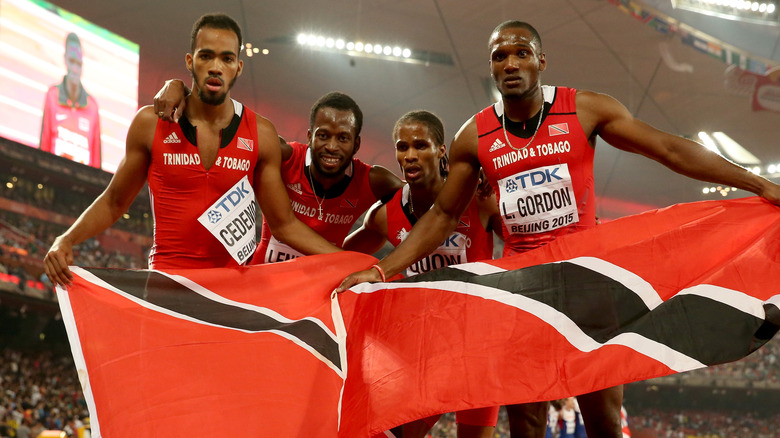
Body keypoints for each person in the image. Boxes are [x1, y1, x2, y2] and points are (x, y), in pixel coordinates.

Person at [337, 20, 780, 438]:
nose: (510, 64)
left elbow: (667, 148)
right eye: (499, 56)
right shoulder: (475, 135)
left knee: (603, 421)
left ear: (541, 61)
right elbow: (442, 217)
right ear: (490, 66)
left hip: (588, 280)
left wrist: (758, 183)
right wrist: (381, 270)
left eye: (521, 53)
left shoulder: (584, 110)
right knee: (525, 423)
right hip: (523, 286)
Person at [44, 13, 340, 286]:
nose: (215, 67)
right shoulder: (150, 124)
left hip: (229, 293)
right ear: (190, 61)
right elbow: (114, 202)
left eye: (226, 59)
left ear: (238, 66)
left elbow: (284, 225)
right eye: (206, 56)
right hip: (165, 288)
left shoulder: (261, 133)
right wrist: (66, 239)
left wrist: (344, 262)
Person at [343, 110, 503, 438]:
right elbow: (339, 258)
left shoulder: (479, 199)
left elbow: (526, 240)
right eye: (402, 147)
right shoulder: (385, 215)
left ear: (442, 150)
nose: (410, 155)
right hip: (421, 349)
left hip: (477, 344)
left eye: (421, 145)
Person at [153, 87, 404, 262]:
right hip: (262, 285)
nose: (331, 147)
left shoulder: (373, 180)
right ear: (309, 136)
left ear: (357, 144)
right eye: (323, 135)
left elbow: (425, 200)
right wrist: (179, 88)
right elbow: (222, 122)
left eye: (343, 138)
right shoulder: (284, 157)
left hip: (319, 295)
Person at [40, 32, 102, 168]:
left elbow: (97, 161)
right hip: (53, 175)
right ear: (65, 59)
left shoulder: (92, 106)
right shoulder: (53, 95)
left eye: (79, 64)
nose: (75, 68)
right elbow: (44, 144)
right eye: (72, 62)